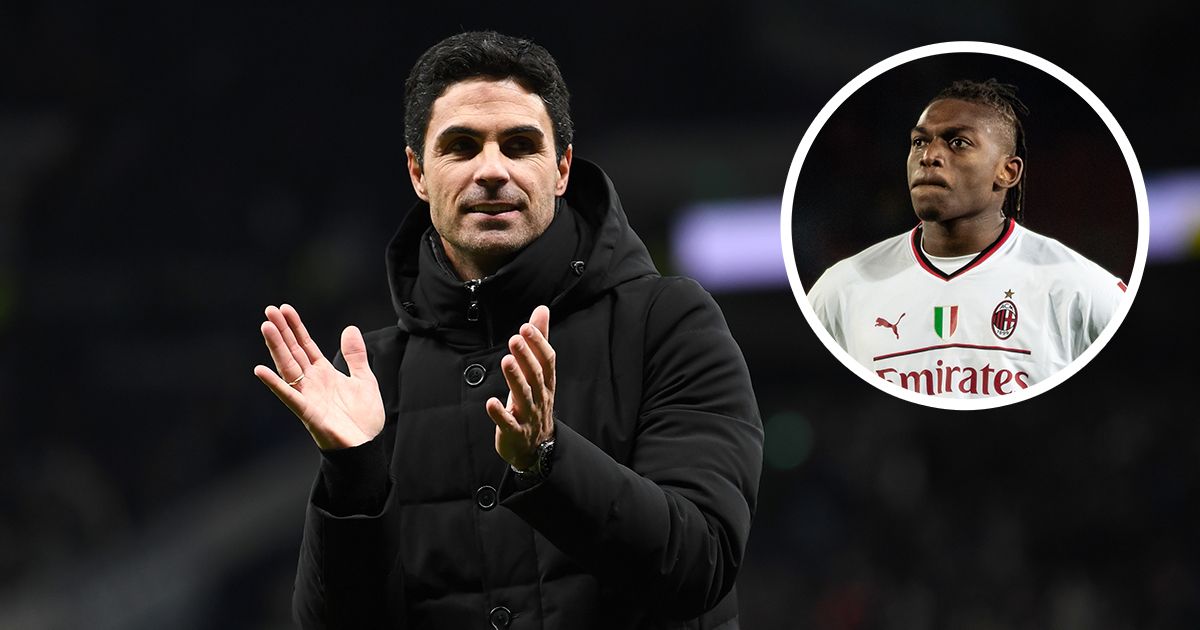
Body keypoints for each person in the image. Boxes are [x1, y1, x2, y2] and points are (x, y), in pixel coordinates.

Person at [252, 31, 763, 628]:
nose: (491, 170)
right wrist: (353, 474)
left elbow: (701, 565)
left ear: (562, 167)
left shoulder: (668, 323)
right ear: (419, 172)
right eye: (461, 147)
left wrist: (549, 462)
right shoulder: (377, 377)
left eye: (519, 145)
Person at [807, 79, 1127, 399]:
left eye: (958, 142)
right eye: (919, 142)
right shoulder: (839, 290)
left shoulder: (1079, 287)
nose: (929, 156)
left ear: (1007, 172)